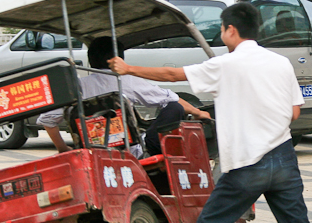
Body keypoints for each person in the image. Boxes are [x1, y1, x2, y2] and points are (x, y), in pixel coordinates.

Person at [109, 2, 312, 223]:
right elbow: (295, 112)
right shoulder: (280, 63)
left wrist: (128, 70)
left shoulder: (226, 65)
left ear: (231, 30)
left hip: (246, 164)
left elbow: (173, 75)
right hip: (284, 160)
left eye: (223, 29)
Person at [37, 37, 208, 156]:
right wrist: (198, 112)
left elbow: (47, 119)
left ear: (91, 59)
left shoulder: (77, 88)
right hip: (129, 150)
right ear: (119, 58)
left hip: (89, 150)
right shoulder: (127, 81)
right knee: (175, 108)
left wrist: (62, 148)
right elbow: (170, 99)